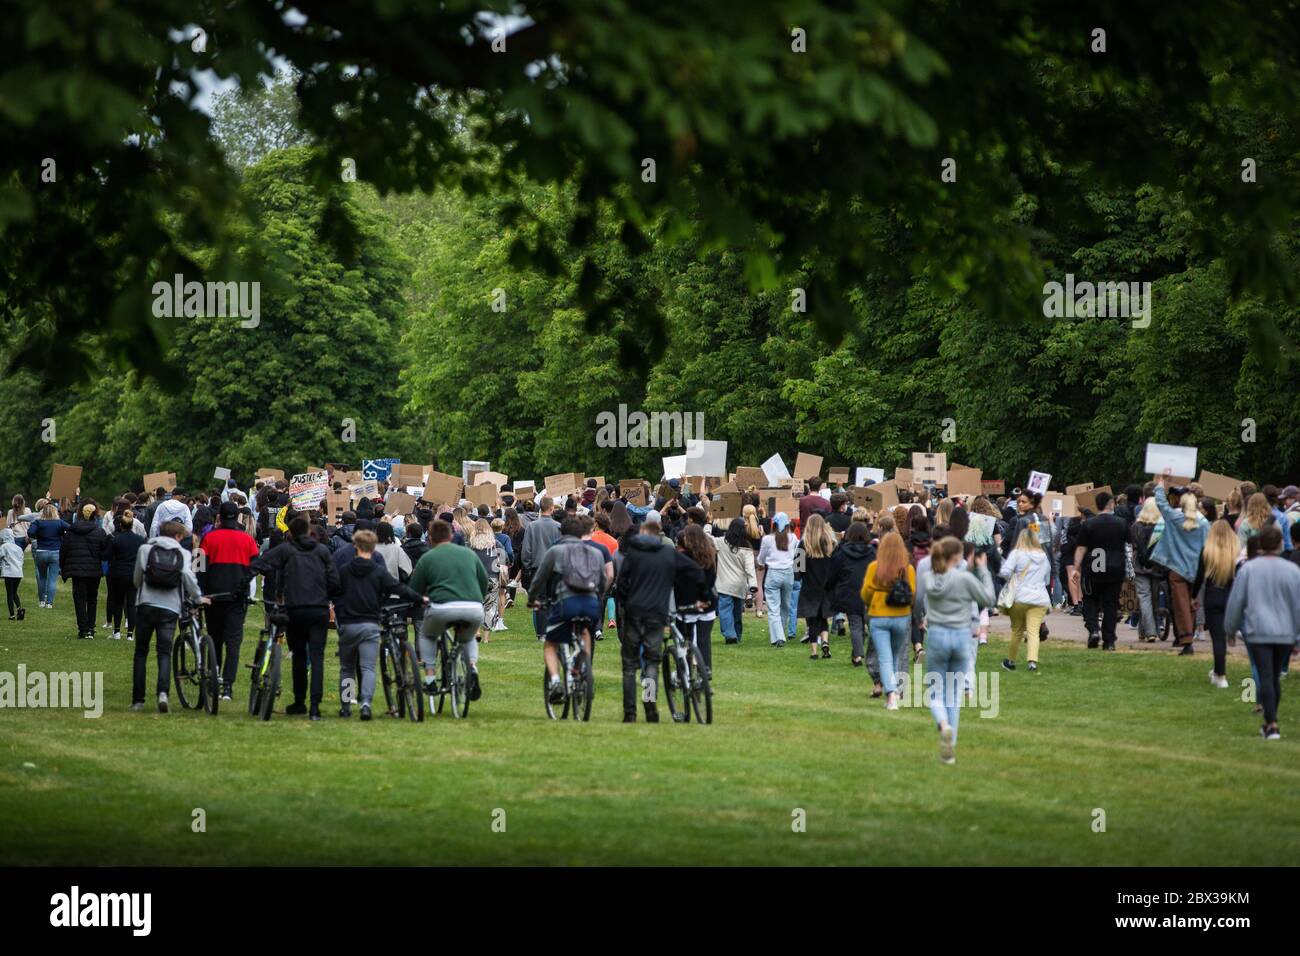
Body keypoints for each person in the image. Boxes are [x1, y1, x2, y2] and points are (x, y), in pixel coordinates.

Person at [251, 516, 343, 720]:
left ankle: (300, 701)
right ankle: (315, 707)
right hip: (318, 609)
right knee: (317, 657)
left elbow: (261, 563)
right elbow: (334, 581)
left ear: (290, 533)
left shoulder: (287, 550)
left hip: (295, 608)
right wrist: (327, 595)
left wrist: (247, 579)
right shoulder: (322, 551)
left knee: (299, 656)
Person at [917, 537, 996, 764]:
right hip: (961, 636)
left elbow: (919, 602)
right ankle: (950, 747)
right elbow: (989, 599)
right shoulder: (964, 579)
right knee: (953, 694)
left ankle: (943, 725)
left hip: (938, 635)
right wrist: (982, 570)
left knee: (935, 692)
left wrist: (921, 620)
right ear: (957, 557)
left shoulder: (930, 578)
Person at [335, 529, 427, 719]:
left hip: (348, 623)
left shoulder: (344, 570)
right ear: (373, 547)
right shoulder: (378, 571)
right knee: (368, 667)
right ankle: (366, 704)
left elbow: (334, 591)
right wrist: (419, 598)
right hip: (369, 623)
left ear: (356, 546)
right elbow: (398, 587)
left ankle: (346, 705)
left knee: (347, 667)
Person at [1224, 525, 1300, 739]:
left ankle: (1272, 722)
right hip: (1285, 631)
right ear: (1279, 544)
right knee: (1274, 676)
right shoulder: (1292, 570)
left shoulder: (1249, 569)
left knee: (1266, 675)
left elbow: (1236, 602)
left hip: (1258, 629)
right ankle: (1271, 721)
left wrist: (1230, 628)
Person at [408, 519, 492, 703]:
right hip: (473, 607)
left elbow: (415, 589)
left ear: (430, 538)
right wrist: (478, 596)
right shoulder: (468, 554)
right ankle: (472, 667)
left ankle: (430, 676)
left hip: (441, 607)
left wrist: (418, 601)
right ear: (451, 536)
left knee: (427, 635)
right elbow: (484, 580)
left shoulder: (428, 558)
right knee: (468, 637)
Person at [131, 520, 207, 712]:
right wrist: (198, 597)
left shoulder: (145, 549)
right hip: (170, 607)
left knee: (141, 652)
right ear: (179, 537)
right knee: (164, 652)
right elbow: (189, 578)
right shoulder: (183, 553)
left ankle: (138, 699)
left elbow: (137, 578)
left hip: (146, 604)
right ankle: (163, 693)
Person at [613, 511, 677, 722]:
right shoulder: (668, 554)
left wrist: (624, 603)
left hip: (634, 612)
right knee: (651, 661)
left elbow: (621, 584)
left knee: (630, 666)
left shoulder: (634, 554)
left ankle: (630, 712)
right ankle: (650, 704)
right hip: (656, 614)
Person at [199, 500, 260, 700]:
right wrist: (244, 582)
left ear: (220, 516)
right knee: (233, 642)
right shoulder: (248, 540)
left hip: (213, 596)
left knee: (214, 638)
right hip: (236, 597)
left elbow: (197, 567)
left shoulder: (208, 538)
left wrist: (199, 591)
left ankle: (214, 675)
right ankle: (227, 686)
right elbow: (255, 566)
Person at [1151, 471, 1210, 655]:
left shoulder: (1176, 519)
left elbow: (1161, 503)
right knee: (1192, 604)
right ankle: (1188, 635)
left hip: (1177, 569)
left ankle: (1186, 640)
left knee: (1181, 605)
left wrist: (1161, 483)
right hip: (1197, 569)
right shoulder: (1204, 523)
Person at [860, 530, 916, 709]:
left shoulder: (874, 568)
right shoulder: (908, 569)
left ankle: (891, 694)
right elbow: (913, 594)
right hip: (901, 616)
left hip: (879, 616)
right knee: (896, 655)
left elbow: (865, 593)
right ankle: (896, 691)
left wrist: (873, 600)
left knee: (884, 658)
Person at [1073, 490, 1128, 650]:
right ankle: (1109, 640)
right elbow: (1129, 546)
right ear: (1110, 504)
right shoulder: (1121, 523)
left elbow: (1081, 548)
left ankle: (1093, 629)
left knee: (1090, 600)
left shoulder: (1089, 524)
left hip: (1094, 567)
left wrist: (1076, 568)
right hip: (1115, 567)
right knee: (1111, 605)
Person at [998, 517, 1052, 672]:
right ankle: (1032, 662)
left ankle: (1011, 661)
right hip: (1040, 598)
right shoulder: (1043, 556)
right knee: (1033, 631)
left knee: (1017, 631)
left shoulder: (1016, 553)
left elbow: (1005, 572)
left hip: (1020, 596)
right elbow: (1047, 578)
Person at [829, 522, 878, 684]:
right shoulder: (872, 552)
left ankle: (857, 655)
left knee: (856, 624)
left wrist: (833, 586)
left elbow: (834, 571)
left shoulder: (842, 552)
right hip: (869, 592)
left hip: (849, 591)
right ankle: (875, 652)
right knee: (869, 625)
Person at [61, 502, 109, 640]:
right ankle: (90, 627)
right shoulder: (99, 532)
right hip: (93, 569)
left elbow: (64, 550)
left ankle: (83, 628)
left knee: (79, 599)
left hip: (77, 570)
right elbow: (104, 553)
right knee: (92, 598)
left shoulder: (71, 531)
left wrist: (63, 567)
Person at [1200, 519, 1239, 688]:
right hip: (1230, 596)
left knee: (1217, 638)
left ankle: (1220, 674)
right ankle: (1218, 671)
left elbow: (1198, 578)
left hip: (1213, 596)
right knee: (1222, 637)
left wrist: (1194, 597)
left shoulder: (1207, 552)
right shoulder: (1235, 553)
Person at [674, 524, 717, 674]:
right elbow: (712, 579)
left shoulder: (682, 558)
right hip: (707, 603)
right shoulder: (710, 555)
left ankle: (684, 671)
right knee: (704, 639)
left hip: (687, 602)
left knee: (685, 640)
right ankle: (706, 668)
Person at [795, 513, 837, 659]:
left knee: (812, 619)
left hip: (809, 586)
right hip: (826, 586)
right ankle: (825, 641)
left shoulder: (803, 544)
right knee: (823, 617)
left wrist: (799, 578)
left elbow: (797, 567)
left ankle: (813, 651)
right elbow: (835, 565)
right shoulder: (830, 544)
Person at [521, 496, 562, 640]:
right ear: (552, 508)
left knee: (540, 600)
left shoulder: (532, 527)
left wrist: (526, 566)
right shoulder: (558, 527)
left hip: (537, 567)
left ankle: (542, 633)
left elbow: (527, 550)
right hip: (555, 567)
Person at [756, 512, 797, 647]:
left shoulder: (768, 539)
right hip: (788, 573)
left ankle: (778, 637)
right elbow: (797, 555)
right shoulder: (793, 538)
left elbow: (761, 557)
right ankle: (781, 634)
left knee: (773, 607)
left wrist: (760, 564)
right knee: (785, 606)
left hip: (773, 573)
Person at [715, 517, 757, 645]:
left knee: (725, 610)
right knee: (737, 612)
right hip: (740, 585)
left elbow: (706, 537)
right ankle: (737, 635)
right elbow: (750, 569)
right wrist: (753, 585)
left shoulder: (721, 542)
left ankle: (730, 634)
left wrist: (708, 523)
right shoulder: (747, 548)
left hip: (724, 584)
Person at [105, 511, 144, 639]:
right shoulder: (139, 540)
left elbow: (108, 556)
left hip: (118, 573)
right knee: (131, 603)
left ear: (120, 525)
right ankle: (130, 634)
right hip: (133, 573)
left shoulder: (116, 539)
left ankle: (116, 631)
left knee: (118, 602)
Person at [1129, 497, 1163, 642]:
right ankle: (1148, 630)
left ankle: (1147, 632)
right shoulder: (1162, 526)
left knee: (1144, 598)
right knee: (1153, 599)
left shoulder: (1136, 526)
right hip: (1157, 565)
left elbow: (1133, 546)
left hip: (1139, 566)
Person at [26, 499, 67, 609]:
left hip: (41, 552)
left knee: (42, 578)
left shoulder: (38, 522)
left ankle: (41, 602)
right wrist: (62, 534)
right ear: (55, 512)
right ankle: (49, 603)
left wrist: (38, 535)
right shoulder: (59, 522)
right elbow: (70, 528)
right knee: (53, 579)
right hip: (55, 552)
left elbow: (30, 533)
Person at [0, 527, 24, 621]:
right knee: (14, 592)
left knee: (9, 593)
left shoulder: (4, 547)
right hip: (18, 573)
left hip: (9, 572)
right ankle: (19, 609)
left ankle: (12, 615)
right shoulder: (18, 547)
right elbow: (21, 560)